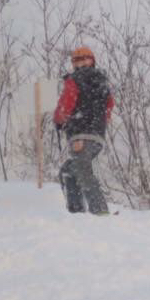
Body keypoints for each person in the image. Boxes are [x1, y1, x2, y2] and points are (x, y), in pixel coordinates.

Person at [53, 46, 115, 214]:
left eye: (82, 59)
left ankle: (99, 211)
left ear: (91, 60)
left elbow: (67, 103)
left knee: (81, 169)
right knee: (68, 170)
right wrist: (99, 122)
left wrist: (59, 119)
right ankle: (76, 212)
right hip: (97, 137)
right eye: (76, 60)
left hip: (80, 133)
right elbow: (109, 105)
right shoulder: (102, 80)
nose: (79, 63)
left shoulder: (75, 80)